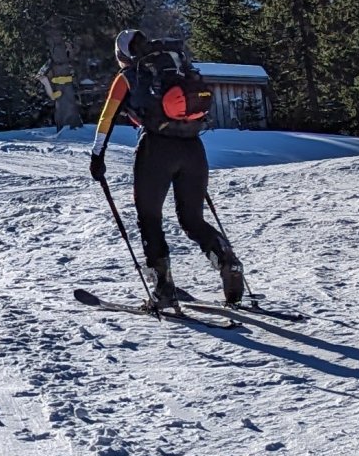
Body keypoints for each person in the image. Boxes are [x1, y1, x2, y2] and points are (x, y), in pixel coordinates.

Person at [87, 30, 244, 306]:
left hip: (156, 150)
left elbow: (106, 118)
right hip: (193, 148)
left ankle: (163, 287)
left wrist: (97, 156)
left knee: (149, 218)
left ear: (122, 55)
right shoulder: (178, 70)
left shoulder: (128, 77)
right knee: (192, 219)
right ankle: (227, 261)